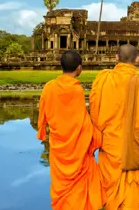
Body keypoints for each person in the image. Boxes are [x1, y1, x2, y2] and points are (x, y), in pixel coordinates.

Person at [89, 44, 139, 210]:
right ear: (137, 59)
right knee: (130, 198)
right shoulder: (137, 81)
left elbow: (93, 110)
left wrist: (97, 136)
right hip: (131, 150)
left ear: (116, 58)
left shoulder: (102, 78)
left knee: (109, 195)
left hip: (108, 146)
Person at [36, 50, 105, 210]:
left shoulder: (49, 87)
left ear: (61, 66)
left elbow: (43, 115)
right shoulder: (76, 90)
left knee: (62, 187)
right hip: (77, 149)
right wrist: (97, 137)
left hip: (59, 146)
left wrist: (42, 130)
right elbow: (82, 121)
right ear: (79, 68)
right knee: (86, 183)